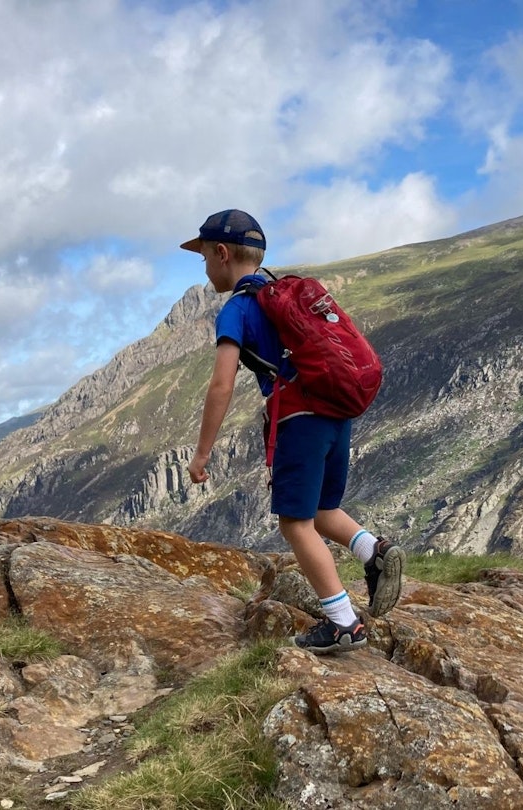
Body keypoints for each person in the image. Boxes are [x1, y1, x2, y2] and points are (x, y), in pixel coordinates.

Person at [182, 209, 404, 655]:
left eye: (205, 257)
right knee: (323, 507)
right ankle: (373, 552)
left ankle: (343, 622)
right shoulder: (285, 293)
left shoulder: (239, 309)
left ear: (222, 254)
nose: (204, 268)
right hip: (335, 414)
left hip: (298, 418)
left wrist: (202, 453)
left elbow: (221, 384)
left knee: (294, 523)